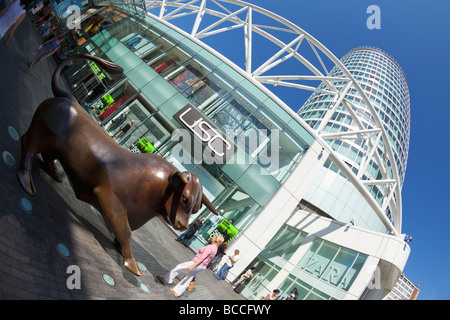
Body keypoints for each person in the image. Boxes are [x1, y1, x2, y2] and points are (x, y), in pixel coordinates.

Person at [156, 234, 224, 297]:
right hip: (202, 266)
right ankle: (177, 292)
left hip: (197, 263)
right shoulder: (215, 248)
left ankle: (165, 279)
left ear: (215, 240)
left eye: (213, 237)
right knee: (189, 277)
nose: (212, 237)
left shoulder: (210, 247)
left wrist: (192, 265)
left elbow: (202, 258)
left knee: (179, 267)